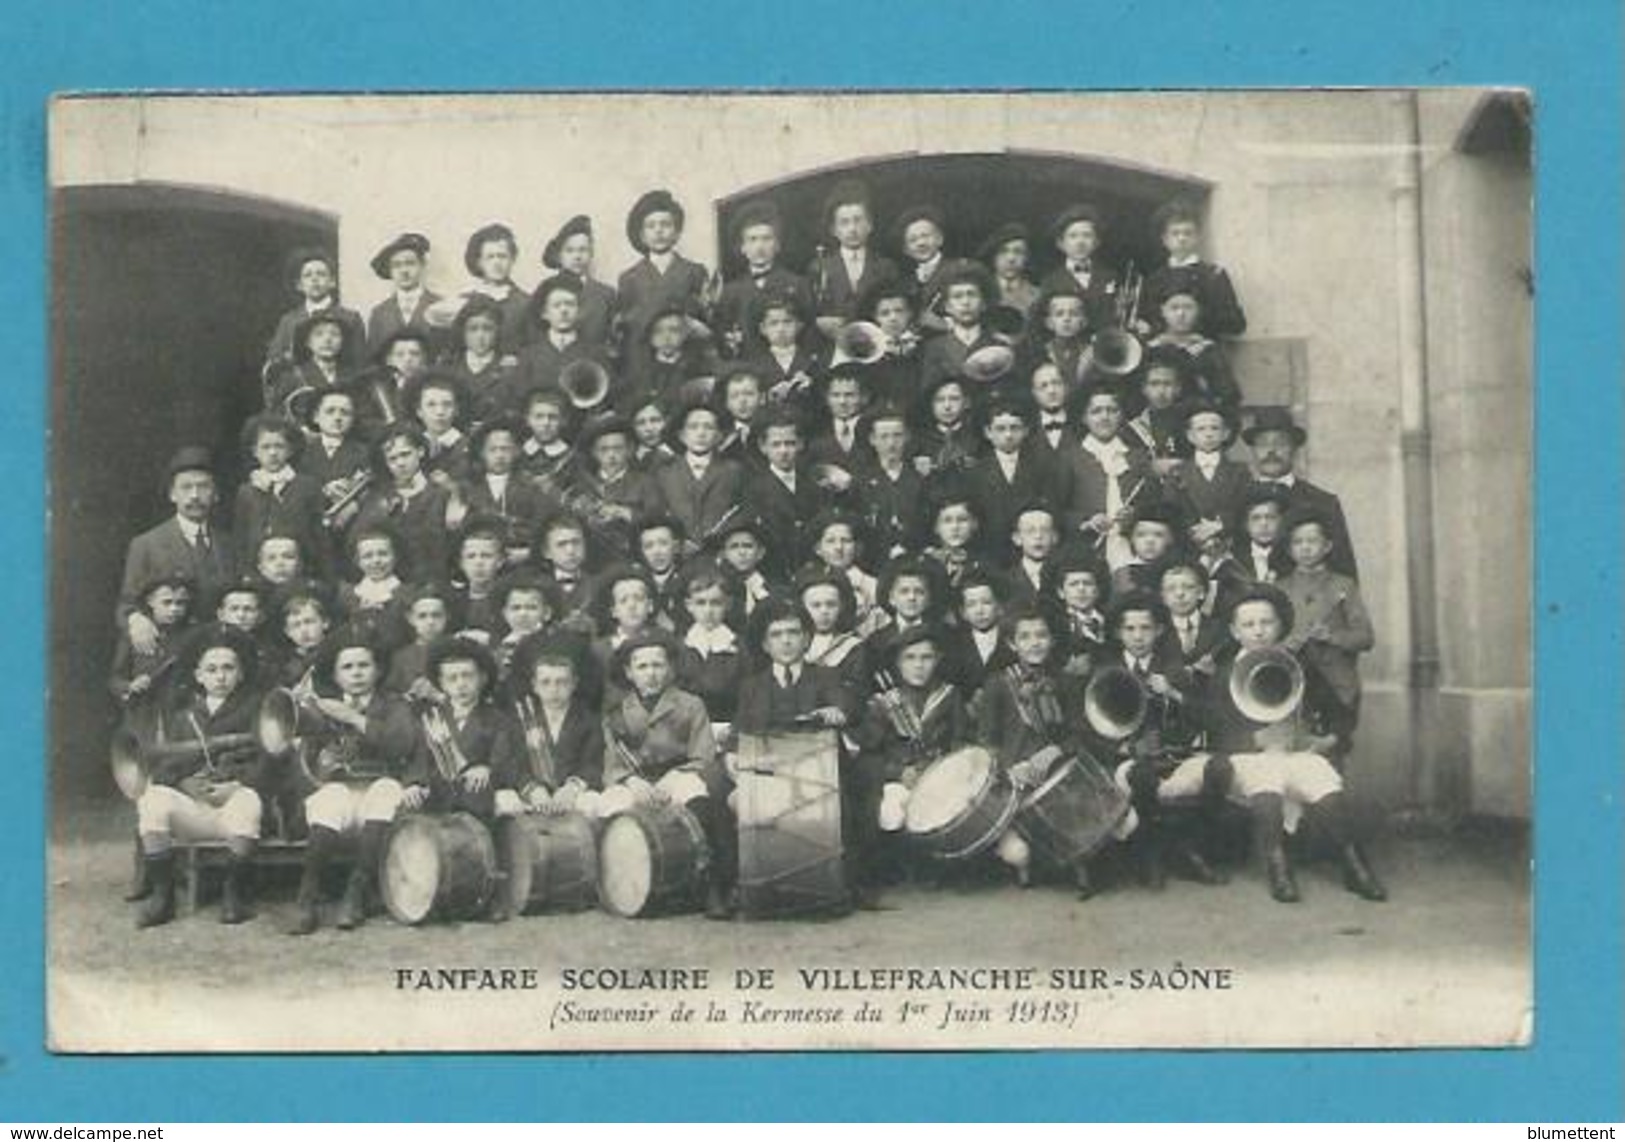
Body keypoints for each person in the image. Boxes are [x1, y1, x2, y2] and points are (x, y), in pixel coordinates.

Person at [1196, 586, 1386, 903]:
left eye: (1266, 623)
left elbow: (1339, 710)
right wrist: (1252, 739)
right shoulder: (1224, 675)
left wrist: (1329, 739)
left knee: (1320, 778)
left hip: (1294, 752)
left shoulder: (1299, 667)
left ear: (1280, 626)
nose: (1258, 631)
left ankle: (1355, 866)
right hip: (1248, 759)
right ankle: (1277, 867)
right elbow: (1214, 729)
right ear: (1234, 631)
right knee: (1267, 775)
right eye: (1249, 625)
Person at [130, 627, 272, 928]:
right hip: (194, 809)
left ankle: (232, 895)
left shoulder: (259, 709)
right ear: (198, 676)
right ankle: (162, 897)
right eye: (212, 669)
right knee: (152, 800)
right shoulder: (183, 716)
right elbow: (165, 767)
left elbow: (269, 761)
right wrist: (184, 784)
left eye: (228, 668)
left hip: (233, 810)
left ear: (241, 674)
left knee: (249, 800)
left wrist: (239, 784)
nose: (220, 676)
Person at [286, 632, 420, 935]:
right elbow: (301, 760)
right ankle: (308, 895)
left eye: (364, 665)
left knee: (386, 790)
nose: (357, 673)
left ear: (378, 670)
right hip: (338, 799)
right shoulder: (319, 707)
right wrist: (319, 761)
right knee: (331, 796)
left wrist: (353, 718)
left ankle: (356, 893)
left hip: (377, 799)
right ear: (334, 674)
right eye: (347, 667)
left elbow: (403, 744)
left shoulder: (396, 705)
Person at [599, 632, 735, 918]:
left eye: (658, 665)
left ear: (671, 669)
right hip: (635, 778)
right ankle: (624, 885)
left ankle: (711, 883)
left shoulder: (691, 704)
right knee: (611, 804)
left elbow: (703, 755)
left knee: (699, 799)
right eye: (642, 667)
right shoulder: (615, 712)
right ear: (628, 672)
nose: (651, 674)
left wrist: (674, 777)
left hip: (679, 773)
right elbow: (612, 763)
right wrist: (632, 782)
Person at [853, 624, 972, 908]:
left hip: (941, 776)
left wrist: (946, 769)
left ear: (938, 660)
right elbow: (870, 755)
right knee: (890, 811)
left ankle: (935, 866)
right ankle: (900, 866)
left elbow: (961, 742)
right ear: (897, 663)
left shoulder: (949, 695)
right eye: (910, 658)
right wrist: (897, 772)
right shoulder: (883, 703)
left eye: (926, 657)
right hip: (901, 779)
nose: (919, 666)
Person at [411, 636, 525, 921]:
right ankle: (423, 884)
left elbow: (507, 758)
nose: (460, 684)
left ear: (482, 678)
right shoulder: (431, 719)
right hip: (440, 789)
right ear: (441, 682)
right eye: (452, 678)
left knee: (487, 801)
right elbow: (419, 759)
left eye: (467, 676)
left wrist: (488, 769)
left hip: (478, 791)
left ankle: (491, 889)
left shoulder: (498, 719)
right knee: (411, 809)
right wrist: (414, 782)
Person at [118, 447, 236, 658]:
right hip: (171, 653)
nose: (195, 495)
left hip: (220, 656)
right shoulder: (146, 544)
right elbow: (127, 603)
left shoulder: (230, 545)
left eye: (203, 487)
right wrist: (135, 619)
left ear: (216, 494)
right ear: (172, 494)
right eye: (186, 487)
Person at [1277, 509, 1374, 761]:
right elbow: (1267, 637)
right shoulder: (1280, 587)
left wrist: (1331, 635)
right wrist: (1284, 644)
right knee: (1292, 753)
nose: (1305, 548)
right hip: (1293, 685)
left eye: (1312, 541)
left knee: (1331, 756)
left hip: (1335, 686)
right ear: (1289, 550)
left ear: (1328, 546)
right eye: (1298, 542)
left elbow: (1365, 638)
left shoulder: (1344, 585)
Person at [1244, 407, 1359, 579]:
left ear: (1295, 449)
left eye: (1280, 443)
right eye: (1263, 443)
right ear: (1252, 450)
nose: (1271, 451)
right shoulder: (1237, 501)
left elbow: (1343, 574)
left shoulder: (1323, 503)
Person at [510, 635, 606, 815]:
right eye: (545, 682)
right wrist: (533, 790)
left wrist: (572, 788)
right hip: (532, 794)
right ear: (534, 686)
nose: (553, 690)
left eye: (561, 682)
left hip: (572, 793)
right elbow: (512, 764)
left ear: (574, 684)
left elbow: (593, 763)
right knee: (507, 804)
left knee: (592, 803)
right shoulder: (521, 719)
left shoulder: (588, 720)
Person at [233, 414, 330, 579]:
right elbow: (242, 537)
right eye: (265, 447)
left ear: (290, 450)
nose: (272, 453)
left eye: (279, 446)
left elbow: (319, 535)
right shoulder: (246, 492)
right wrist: (245, 574)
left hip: (302, 570)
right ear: (255, 451)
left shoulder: (307, 486)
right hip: (260, 574)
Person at [352, 426, 455, 581]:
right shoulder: (377, 497)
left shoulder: (442, 493)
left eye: (405, 455)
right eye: (392, 459)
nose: (400, 463)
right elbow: (359, 541)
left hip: (434, 582)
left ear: (420, 452)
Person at [714, 199, 813, 359]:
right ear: (743, 248)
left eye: (766, 239)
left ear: (777, 245)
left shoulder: (797, 285)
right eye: (752, 240)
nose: (760, 247)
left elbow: (809, 334)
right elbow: (722, 335)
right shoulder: (731, 291)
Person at [965, 398, 1058, 567]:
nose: (1008, 435)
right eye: (1000, 429)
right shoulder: (974, 473)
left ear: (1026, 431)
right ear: (988, 432)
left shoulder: (1042, 468)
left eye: (1014, 428)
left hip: (1031, 555)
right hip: (989, 555)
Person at [1139, 199, 1247, 340]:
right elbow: (1145, 320)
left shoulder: (1214, 275)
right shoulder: (1154, 279)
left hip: (1203, 355)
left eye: (1188, 233)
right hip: (1162, 354)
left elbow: (1237, 325)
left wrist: (1199, 324)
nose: (1182, 238)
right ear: (1164, 239)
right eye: (1175, 233)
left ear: (1197, 237)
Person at [616, 189, 710, 350]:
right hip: (642, 357)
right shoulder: (629, 278)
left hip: (686, 356)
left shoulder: (695, 272)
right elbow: (625, 328)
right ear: (642, 236)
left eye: (665, 225)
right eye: (651, 226)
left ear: (677, 232)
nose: (658, 231)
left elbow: (704, 319)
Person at [807, 179, 898, 338]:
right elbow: (810, 312)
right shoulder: (819, 266)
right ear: (834, 230)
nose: (852, 229)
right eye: (844, 222)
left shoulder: (886, 266)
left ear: (870, 225)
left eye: (858, 220)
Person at [651, 400, 747, 546]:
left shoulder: (734, 471)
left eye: (708, 427)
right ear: (681, 435)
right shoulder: (664, 474)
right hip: (677, 553)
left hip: (720, 550)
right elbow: (658, 515)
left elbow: (740, 513)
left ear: (719, 436)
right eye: (693, 427)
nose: (701, 433)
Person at [744, 409, 824, 578]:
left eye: (790, 443)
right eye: (776, 444)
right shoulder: (754, 489)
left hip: (813, 568)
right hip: (775, 571)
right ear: (763, 447)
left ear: (800, 444)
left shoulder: (815, 483)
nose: (783, 451)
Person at [264, 247, 366, 375]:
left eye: (321, 274)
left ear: (332, 282)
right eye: (308, 275)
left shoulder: (350, 318)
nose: (314, 279)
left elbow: (359, 363)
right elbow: (275, 362)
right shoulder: (289, 321)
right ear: (299, 285)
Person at [514, 275, 611, 401]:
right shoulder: (529, 355)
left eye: (570, 304)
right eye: (556, 305)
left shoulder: (597, 354)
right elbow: (520, 397)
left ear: (580, 311)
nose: (564, 310)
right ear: (544, 313)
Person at [1144, 288, 1241, 413]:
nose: (1181, 314)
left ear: (1199, 310)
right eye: (1174, 308)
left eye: (1188, 307)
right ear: (1162, 310)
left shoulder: (1208, 350)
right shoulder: (1150, 348)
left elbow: (1227, 395)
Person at [855, 405, 928, 561]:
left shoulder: (921, 479)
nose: (891, 443)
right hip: (873, 560)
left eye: (897, 436)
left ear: (907, 437)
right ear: (872, 440)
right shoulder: (860, 481)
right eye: (884, 437)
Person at [917, 260, 1004, 393]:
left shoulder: (997, 345)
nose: (965, 302)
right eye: (957, 296)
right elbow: (929, 392)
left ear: (983, 303)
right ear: (947, 306)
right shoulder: (934, 348)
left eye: (972, 295)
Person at [675, 569, 746, 730]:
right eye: (700, 603)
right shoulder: (679, 647)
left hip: (728, 727)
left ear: (728, 604)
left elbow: (748, 697)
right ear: (689, 606)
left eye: (716, 603)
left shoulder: (740, 648)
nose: (708, 611)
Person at [539, 214, 618, 351]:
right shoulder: (546, 290)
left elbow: (612, 338)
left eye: (583, 250)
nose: (577, 257)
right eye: (569, 251)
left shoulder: (606, 294)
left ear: (591, 253)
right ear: (559, 255)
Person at [1038, 204, 1119, 333]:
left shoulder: (1111, 277)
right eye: (1073, 236)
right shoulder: (1049, 282)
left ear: (1097, 242)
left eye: (1087, 235)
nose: (1080, 242)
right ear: (1061, 243)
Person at [441, 294, 516, 426]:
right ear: (462, 332)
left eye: (487, 329)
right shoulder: (448, 367)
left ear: (497, 331)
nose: (480, 336)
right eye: (473, 329)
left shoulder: (510, 369)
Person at [365, 232, 440, 359]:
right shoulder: (379, 313)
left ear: (422, 265)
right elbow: (373, 359)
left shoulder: (440, 306)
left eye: (410, 263)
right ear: (390, 271)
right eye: (397, 265)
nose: (404, 271)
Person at [940, 571, 1012, 700]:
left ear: (999, 606)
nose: (980, 611)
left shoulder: (1010, 640)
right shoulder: (955, 645)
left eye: (986, 602)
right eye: (971, 604)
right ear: (963, 613)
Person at [463, 223, 531, 355]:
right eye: (490, 257)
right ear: (479, 262)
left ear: (512, 259)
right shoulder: (465, 302)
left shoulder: (526, 304)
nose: (497, 263)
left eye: (502, 256)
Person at [893, 204, 951, 325]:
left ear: (940, 239)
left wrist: (944, 323)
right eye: (913, 240)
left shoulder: (958, 271)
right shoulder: (904, 283)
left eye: (926, 236)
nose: (921, 243)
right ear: (906, 249)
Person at [979, 222, 1040, 319]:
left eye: (1018, 252)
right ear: (993, 256)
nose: (1011, 258)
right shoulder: (981, 293)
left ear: (1027, 257)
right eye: (1003, 251)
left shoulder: (1037, 296)